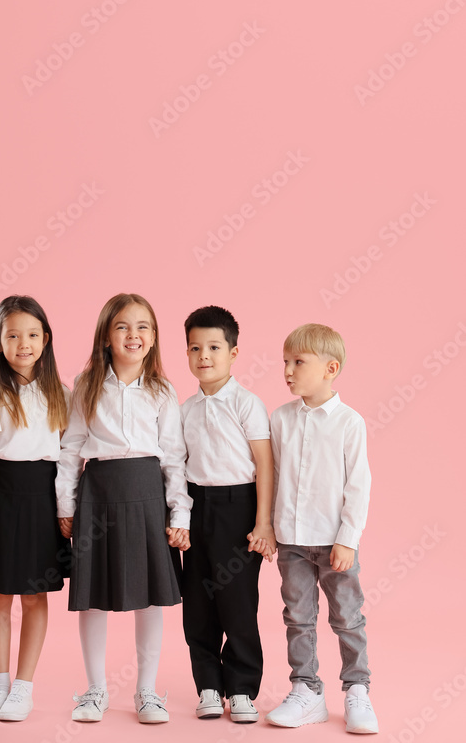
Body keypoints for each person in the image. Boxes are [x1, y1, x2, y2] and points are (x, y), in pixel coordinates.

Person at [56, 293, 191, 724]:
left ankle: (146, 692)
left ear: (153, 338)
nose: (133, 335)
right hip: (98, 495)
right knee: (93, 595)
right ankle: (94, 690)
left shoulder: (162, 390)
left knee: (149, 596)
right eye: (122, 327)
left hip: (149, 496)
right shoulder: (87, 383)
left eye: (143, 327)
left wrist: (179, 513)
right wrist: (67, 504)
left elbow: (173, 458)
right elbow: (70, 448)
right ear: (106, 335)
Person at [0, 295, 70, 722]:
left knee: (35, 595)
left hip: (43, 495)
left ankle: (24, 687)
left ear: (46, 339)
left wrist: (67, 509)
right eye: (13, 335)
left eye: (33, 334)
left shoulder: (62, 393)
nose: (24, 343)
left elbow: (68, 457)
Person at [266, 323, 378, 734]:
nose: (288, 371)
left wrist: (348, 539)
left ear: (331, 368)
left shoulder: (350, 423)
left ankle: (357, 690)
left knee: (347, 617)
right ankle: (306, 689)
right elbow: (272, 477)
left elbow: (358, 486)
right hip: (292, 541)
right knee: (298, 616)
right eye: (285, 362)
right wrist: (269, 528)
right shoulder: (280, 419)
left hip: (334, 542)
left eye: (298, 362)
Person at [179, 305, 274, 723]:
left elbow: (265, 465)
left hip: (240, 508)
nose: (204, 356)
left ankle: (241, 689)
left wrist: (263, 522)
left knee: (237, 602)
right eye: (195, 347)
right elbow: (178, 466)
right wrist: (179, 519)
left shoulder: (248, 404)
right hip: (198, 507)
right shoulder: (184, 409)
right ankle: (209, 686)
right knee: (198, 604)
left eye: (214, 347)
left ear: (233, 352)